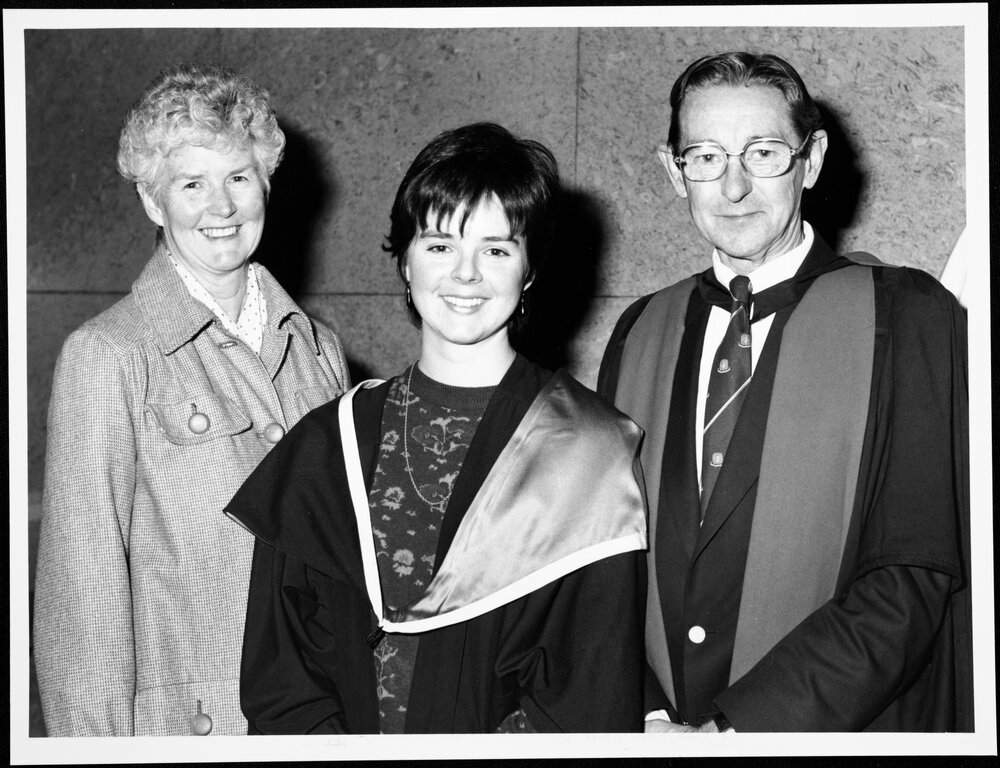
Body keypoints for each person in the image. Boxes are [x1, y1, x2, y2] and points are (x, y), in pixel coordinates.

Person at [226, 122, 648, 734]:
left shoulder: (589, 449)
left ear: (529, 270)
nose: (466, 275)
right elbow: (282, 673)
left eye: (497, 249)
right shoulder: (329, 442)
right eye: (440, 244)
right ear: (404, 259)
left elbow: (590, 689)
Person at [598, 52, 972, 732]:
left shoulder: (909, 315)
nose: (734, 187)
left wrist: (738, 732)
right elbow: (606, 561)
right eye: (705, 157)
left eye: (763, 152)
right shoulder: (641, 329)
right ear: (671, 171)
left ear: (814, 158)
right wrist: (649, 713)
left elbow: (913, 572)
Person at [33, 63, 350, 736]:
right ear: (154, 202)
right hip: (194, 729)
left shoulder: (319, 349)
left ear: (266, 181)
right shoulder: (109, 355)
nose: (222, 207)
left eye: (238, 177)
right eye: (191, 184)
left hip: (322, 721)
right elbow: (80, 598)